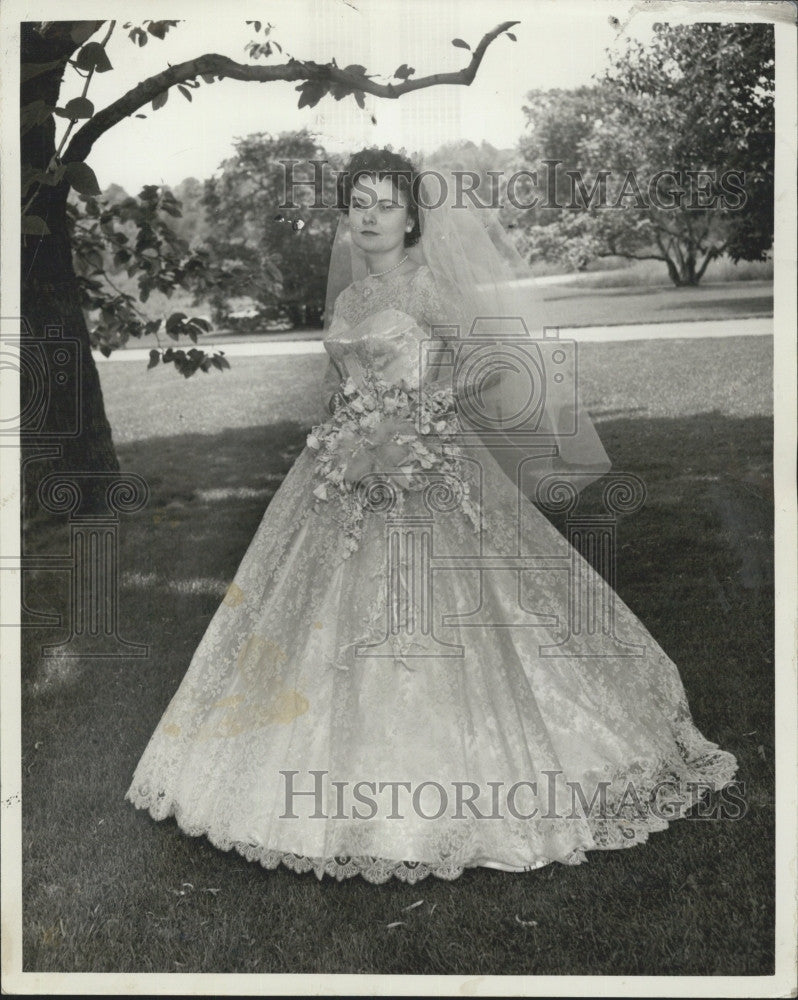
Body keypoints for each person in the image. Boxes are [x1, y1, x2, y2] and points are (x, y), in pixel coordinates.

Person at [126, 148, 738, 884]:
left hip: (428, 474)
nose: (370, 215)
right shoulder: (350, 302)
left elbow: (488, 372)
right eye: (359, 202)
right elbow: (338, 384)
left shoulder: (433, 287)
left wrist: (423, 425)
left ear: (413, 215)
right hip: (337, 479)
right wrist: (342, 436)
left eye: (386, 202)